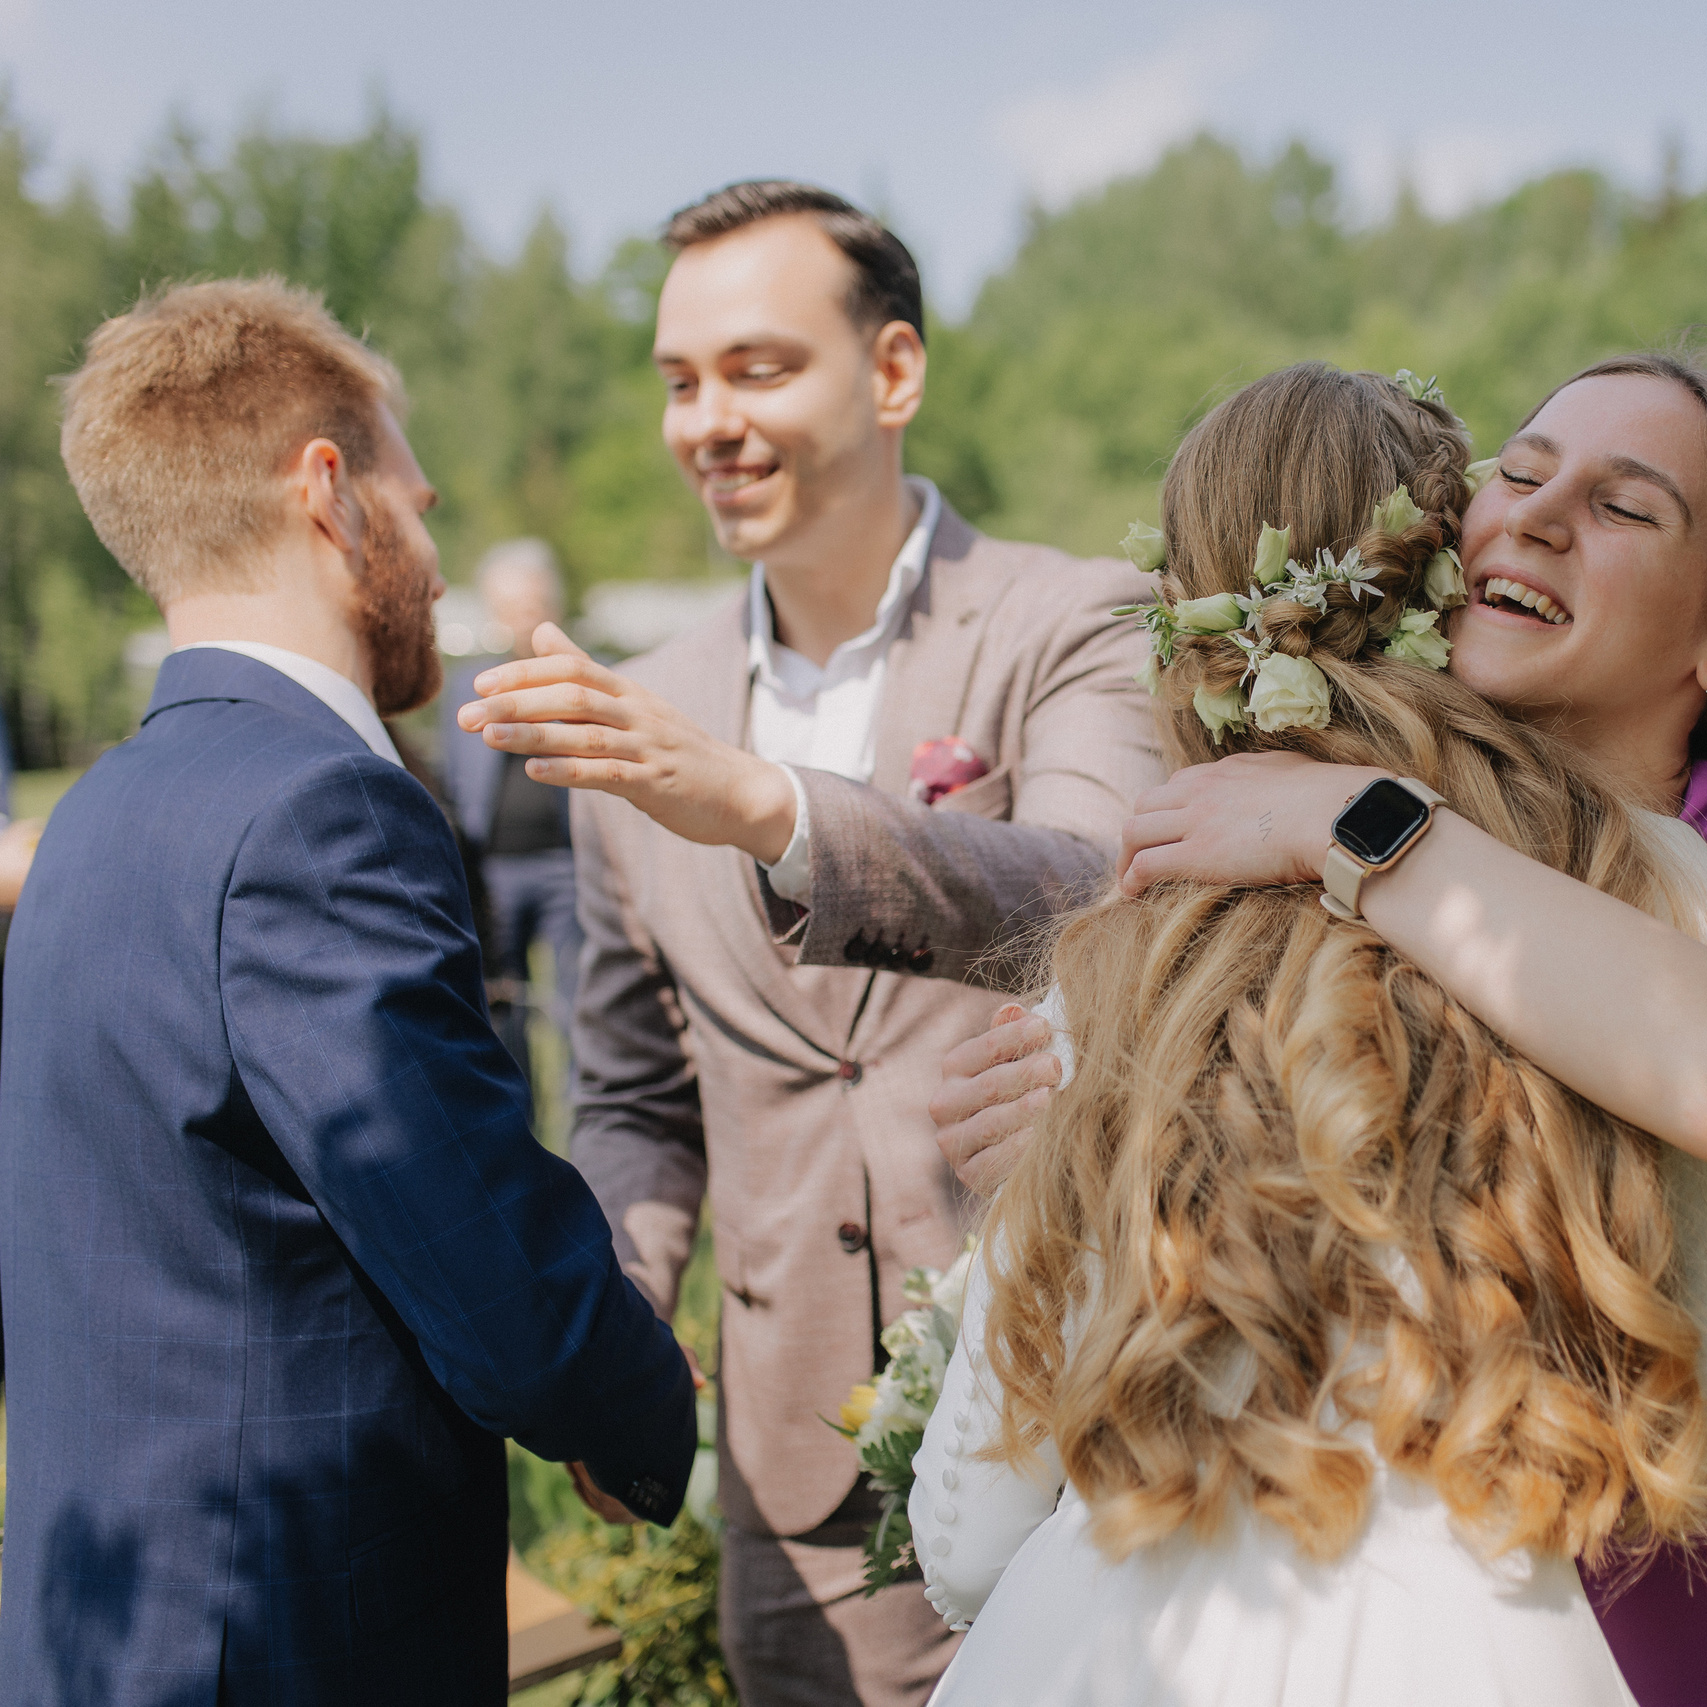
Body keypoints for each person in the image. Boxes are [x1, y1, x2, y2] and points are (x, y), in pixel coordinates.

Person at [934, 352, 1707, 1707]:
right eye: (1516, 472)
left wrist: (1347, 827)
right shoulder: (1241, 892)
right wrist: (1106, 1134)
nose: (1534, 511)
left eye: (1627, 506)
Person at [454, 180, 1160, 1705]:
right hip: (794, 1464)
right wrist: (623, 1309)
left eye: (759, 367)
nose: (708, 418)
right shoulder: (637, 702)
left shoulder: (1074, 618)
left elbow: (1107, 891)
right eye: (679, 381)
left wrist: (768, 806)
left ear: (893, 371)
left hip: (1080, 1415)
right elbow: (637, 1089)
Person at [0, 278, 696, 1705]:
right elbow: (477, 1242)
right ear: (331, 490)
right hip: (286, 1640)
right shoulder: (322, 809)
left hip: (102, 1625)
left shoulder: (91, 818)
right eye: (421, 498)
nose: (436, 557)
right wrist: (631, 1403)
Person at [442, 538, 584, 1076]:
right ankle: (521, 1133)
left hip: (566, 866)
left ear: (553, 605)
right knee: (502, 1012)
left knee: (578, 1005)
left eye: (534, 605)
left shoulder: (581, 676)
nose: (525, 618)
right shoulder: (469, 684)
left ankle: (588, 1125)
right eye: (513, 607)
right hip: (494, 871)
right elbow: (454, 776)